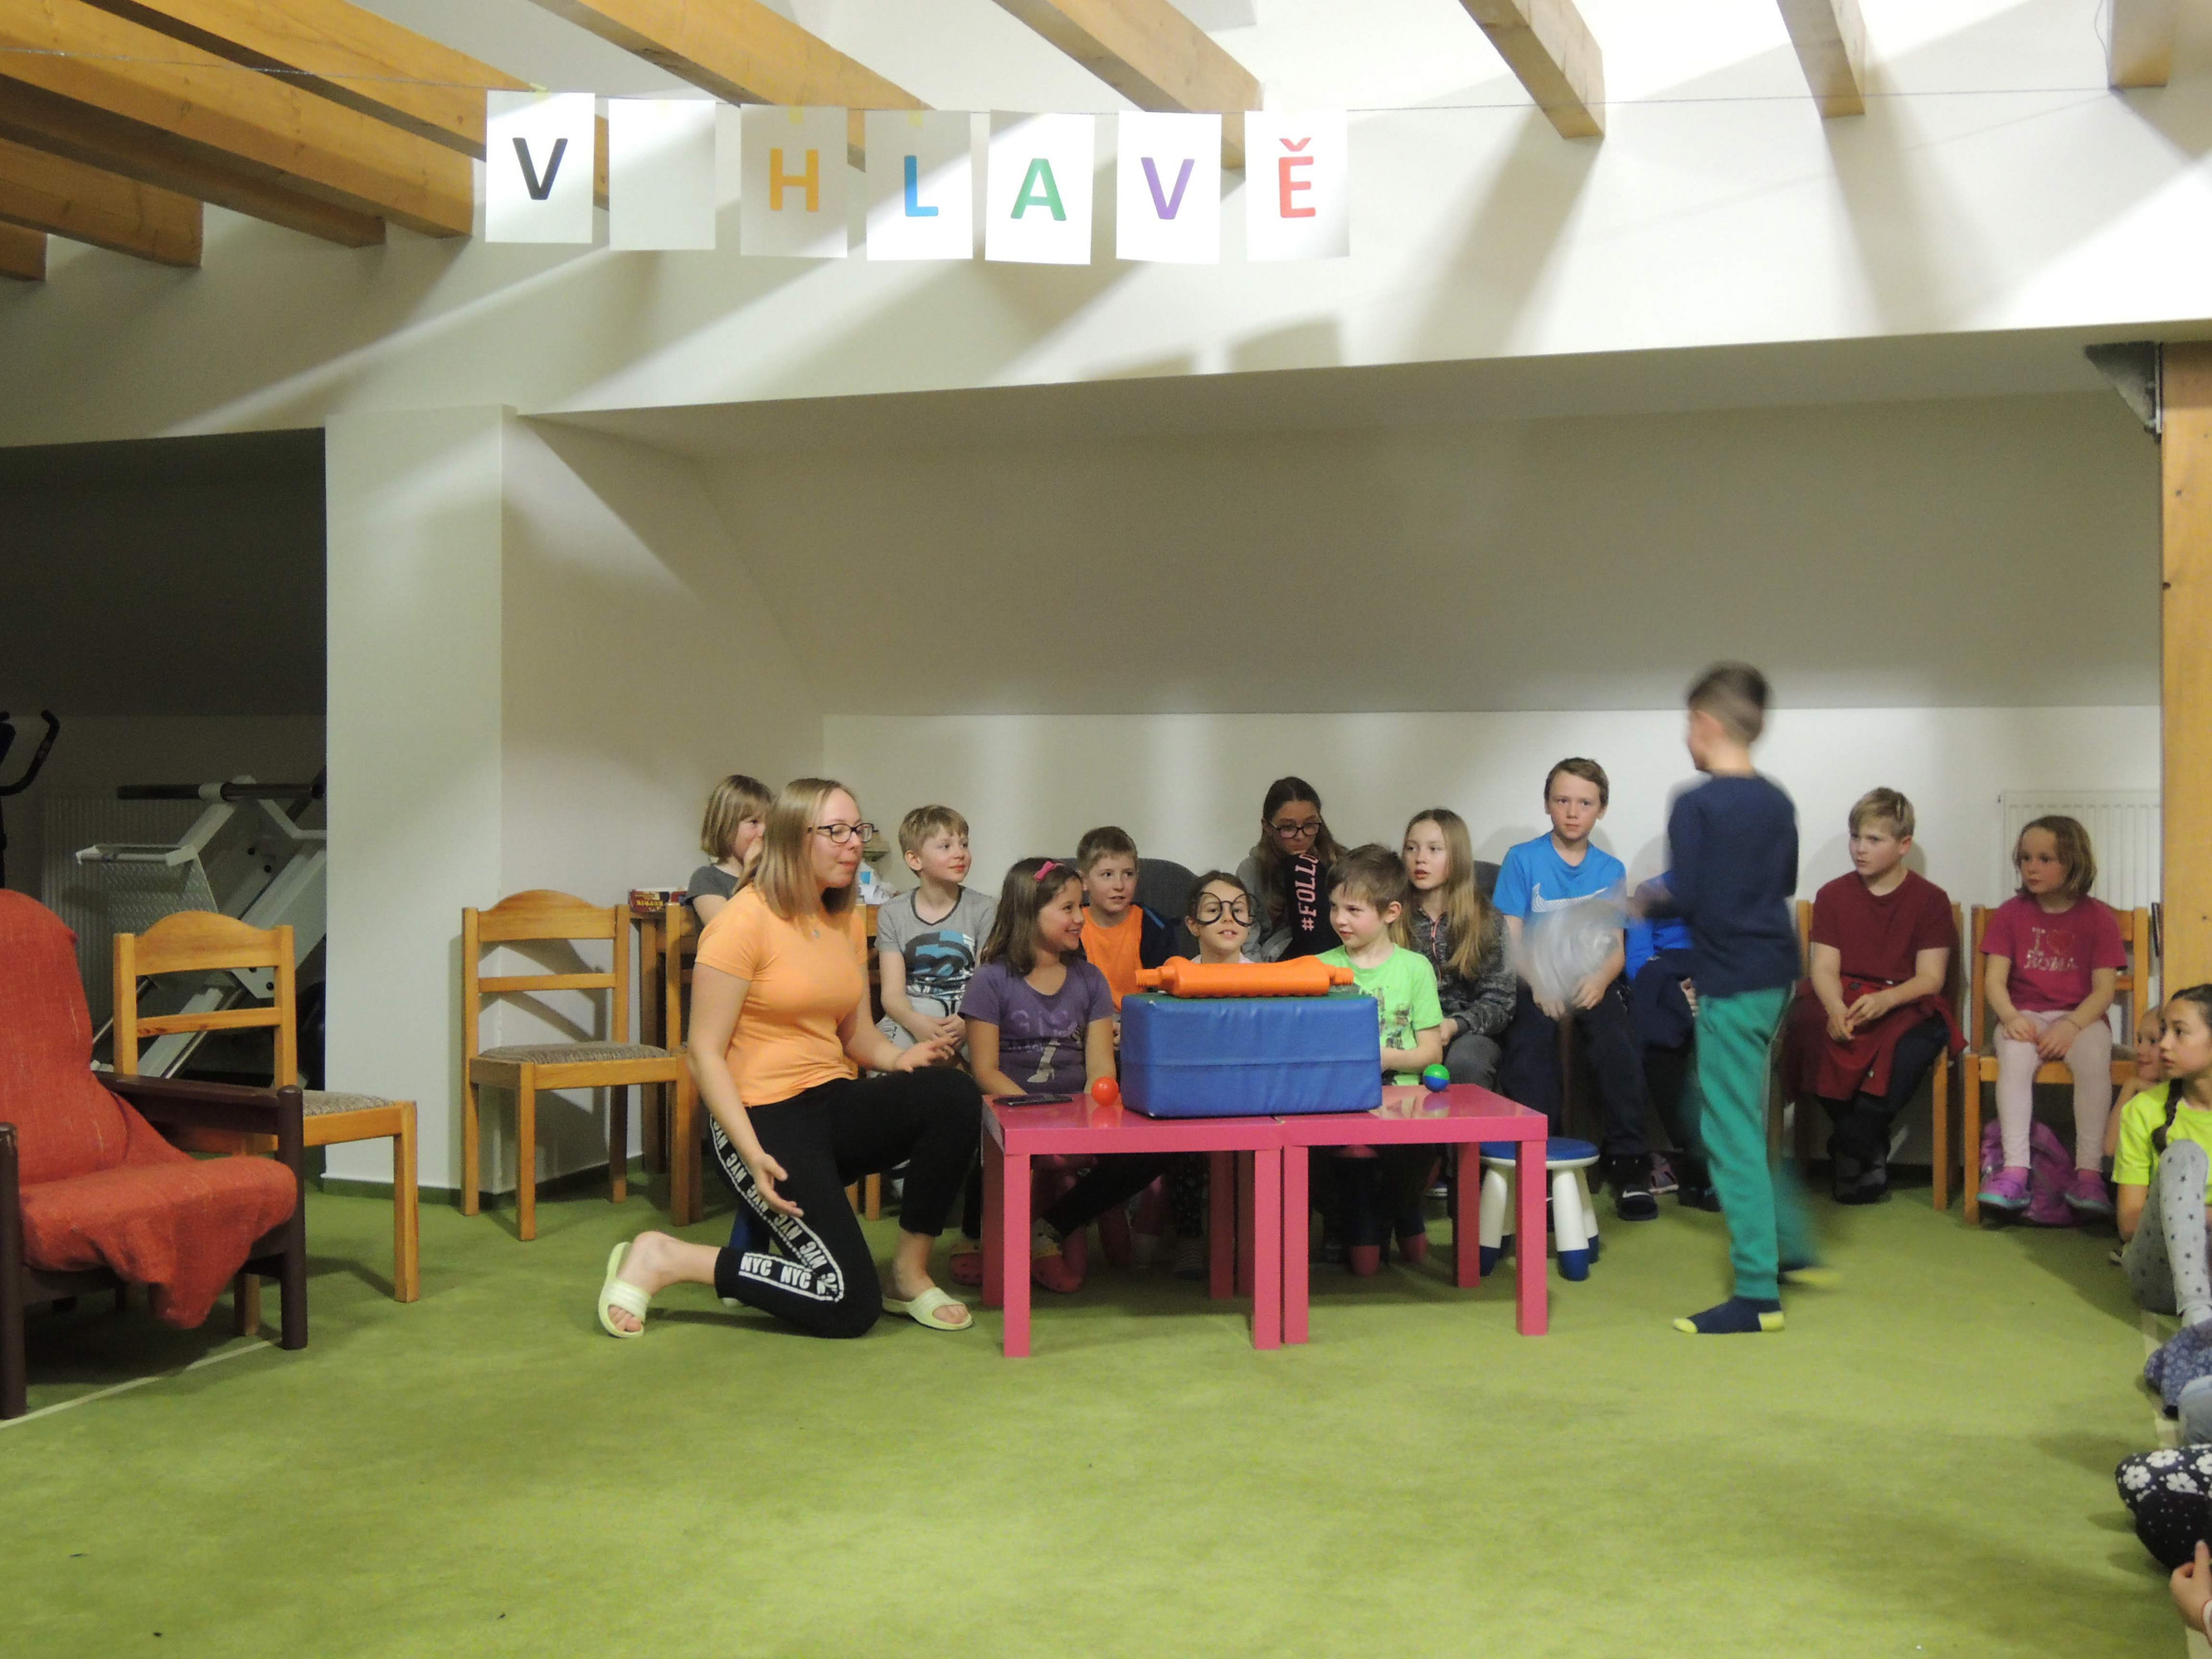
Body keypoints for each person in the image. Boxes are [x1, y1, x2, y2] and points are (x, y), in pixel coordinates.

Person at [597, 778, 981, 1340]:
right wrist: (751, 1154)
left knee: (953, 1094)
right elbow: (703, 1053)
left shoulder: (843, 919)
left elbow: (856, 1034)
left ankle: (907, 1273)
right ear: (792, 838)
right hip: (759, 1117)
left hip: (829, 1101)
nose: (854, 843)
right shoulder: (742, 921)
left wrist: (902, 1060)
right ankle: (667, 1258)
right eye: (836, 831)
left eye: (857, 829)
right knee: (848, 1305)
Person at [1646, 664, 1810, 1335]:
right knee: (1721, 1109)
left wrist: (1640, 901)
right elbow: (1780, 881)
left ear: (1705, 724)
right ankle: (1789, 1243)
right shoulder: (1776, 801)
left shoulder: (1695, 803)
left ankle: (1756, 1294)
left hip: (1731, 982)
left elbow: (1688, 894)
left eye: (1688, 723)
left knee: (1729, 1133)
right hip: (1775, 978)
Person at [1494, 757, 1658, 1220]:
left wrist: (1602, 979)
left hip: (1591, 977)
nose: (1572, 811)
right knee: (1530, 1047)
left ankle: (1628, 1166)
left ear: (1601, 810)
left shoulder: (1610, 869)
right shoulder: (1522, 859)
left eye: (1585, 803)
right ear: (1547, 804)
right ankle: (1540, 1166)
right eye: (1562, 800)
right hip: (1535, 977)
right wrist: (1540, 981)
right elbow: (1510, 941)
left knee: (1617, 1043)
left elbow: (1617, 948)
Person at [1783, 788, 1960, 1204]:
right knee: (1808, 1026)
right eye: (1855, 837)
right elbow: (1824, 969)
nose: (1860, 849)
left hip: (1904, 1000)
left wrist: (1885, 1001)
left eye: (1873, 840)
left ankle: (1850, 1148)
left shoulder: (1930, 900)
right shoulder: (1833, 894)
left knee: (1912, 1044)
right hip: (1843, 994)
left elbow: (1930, 978)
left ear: (1903, 845)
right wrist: (1835, 1009)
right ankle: (1868, 1153)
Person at [963, 859, 1117, 1292]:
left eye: (1080, 906)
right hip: (1011, 1113)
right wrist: (1035, 1117)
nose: (1080, 918)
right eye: (1067, 908)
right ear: (1029, 913)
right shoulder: (990, 981)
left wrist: (1087, 1118)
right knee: (979, 1141)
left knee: (1149, 1152)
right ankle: (978, 1234)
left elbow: (1100, 1067)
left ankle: (1051, 1226)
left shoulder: (1090, 979)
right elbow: (985, 1070)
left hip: (1076, 1114)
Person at [1976, 815, 2126, 1216]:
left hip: (2081, 1019)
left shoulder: (2098, 918)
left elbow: (2103, 991)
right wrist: (2010, 1017)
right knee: (2014, 1057)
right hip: (2024, 1013)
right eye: (2025, 858)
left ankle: (2089, 1173)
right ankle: (2014, 1170)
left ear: (2073, 863)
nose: (2032, 867)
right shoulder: (2011, 913)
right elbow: (1994, 981)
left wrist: (2071, 1025)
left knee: (2094, 1060)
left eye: (2045, 859)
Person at [1317, 844, 1446, 1275]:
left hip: (1403, 1105)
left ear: (1391, 912)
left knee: (1416, 1158)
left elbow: (1431, 1052)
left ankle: (1397, 1214)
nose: (1340, 919)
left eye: (1353, 910)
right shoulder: (1316, 968)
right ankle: (1362, 1223)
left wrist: (1383, 1058)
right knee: (1326, 1162)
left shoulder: (1414, 968)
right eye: (1334, 907)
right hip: (1340, 1105)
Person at [2117, 988, 2212, 1330]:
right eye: (2163, 1031)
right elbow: (2129, 1224)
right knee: (2183, 1154)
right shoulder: (2143, 1111)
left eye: (2179, 1032)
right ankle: (2198, 1321)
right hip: (2161, 1277)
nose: (2164, 1045)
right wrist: (2188, 1214)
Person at [1401, 807, 1514, 1088]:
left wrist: (1454, 1025)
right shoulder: (1390, 915)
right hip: (1405, 1030)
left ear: (1457, 857)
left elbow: (1499, 1001)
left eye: (1434, 849)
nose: (1420, 858)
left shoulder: (1485, 919)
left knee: (1466, 1063)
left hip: (1466, 1032)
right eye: (1411, 848)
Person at [1625, 888, 1719, 1209]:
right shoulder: (1651, 892)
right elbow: (1637, 964)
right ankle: (1701, 1162)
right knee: (1656, 1033)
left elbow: (1740, 953)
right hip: (1662, 987)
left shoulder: (1733, 883)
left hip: (1714, 984)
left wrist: (1700, 991)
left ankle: (1708, 1164)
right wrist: (1676, 997)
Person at [875, 804, 994, 1051]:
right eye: (946, 846)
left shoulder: (984, 908)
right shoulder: (892, 912)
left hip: (968, 1011)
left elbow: (987, 981)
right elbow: (892, 994)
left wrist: (966, 1019)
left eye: (964, 844)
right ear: (915, 859)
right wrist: (915, 1023)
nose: (960, 853)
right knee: (883, 1056)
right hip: (913, 1012)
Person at [1236, 776, 1346, 961]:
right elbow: (1247, 942)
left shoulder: (1341, 863)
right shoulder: (1251, 870)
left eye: (1309, 825)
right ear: (1267, 826)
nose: (1300, 836)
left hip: (1333, 960)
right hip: (1273, 967)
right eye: (1288, 827)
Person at [1074, 825, 1174, 1006]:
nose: (1119, 885)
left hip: (1143, 1016)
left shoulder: (1155, 928)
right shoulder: (1072, 926)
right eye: (1107, 875)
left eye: (1128, 874)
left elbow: (1166, 994)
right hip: (1087, 1019)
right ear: (1083, 881)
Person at [686, 772, 771, 927]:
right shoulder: (706, 878)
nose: (764, 831)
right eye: (754, 822)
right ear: (726, 827)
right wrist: (748, 874)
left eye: (769, 823)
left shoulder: (770, 877)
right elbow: (729, 931)